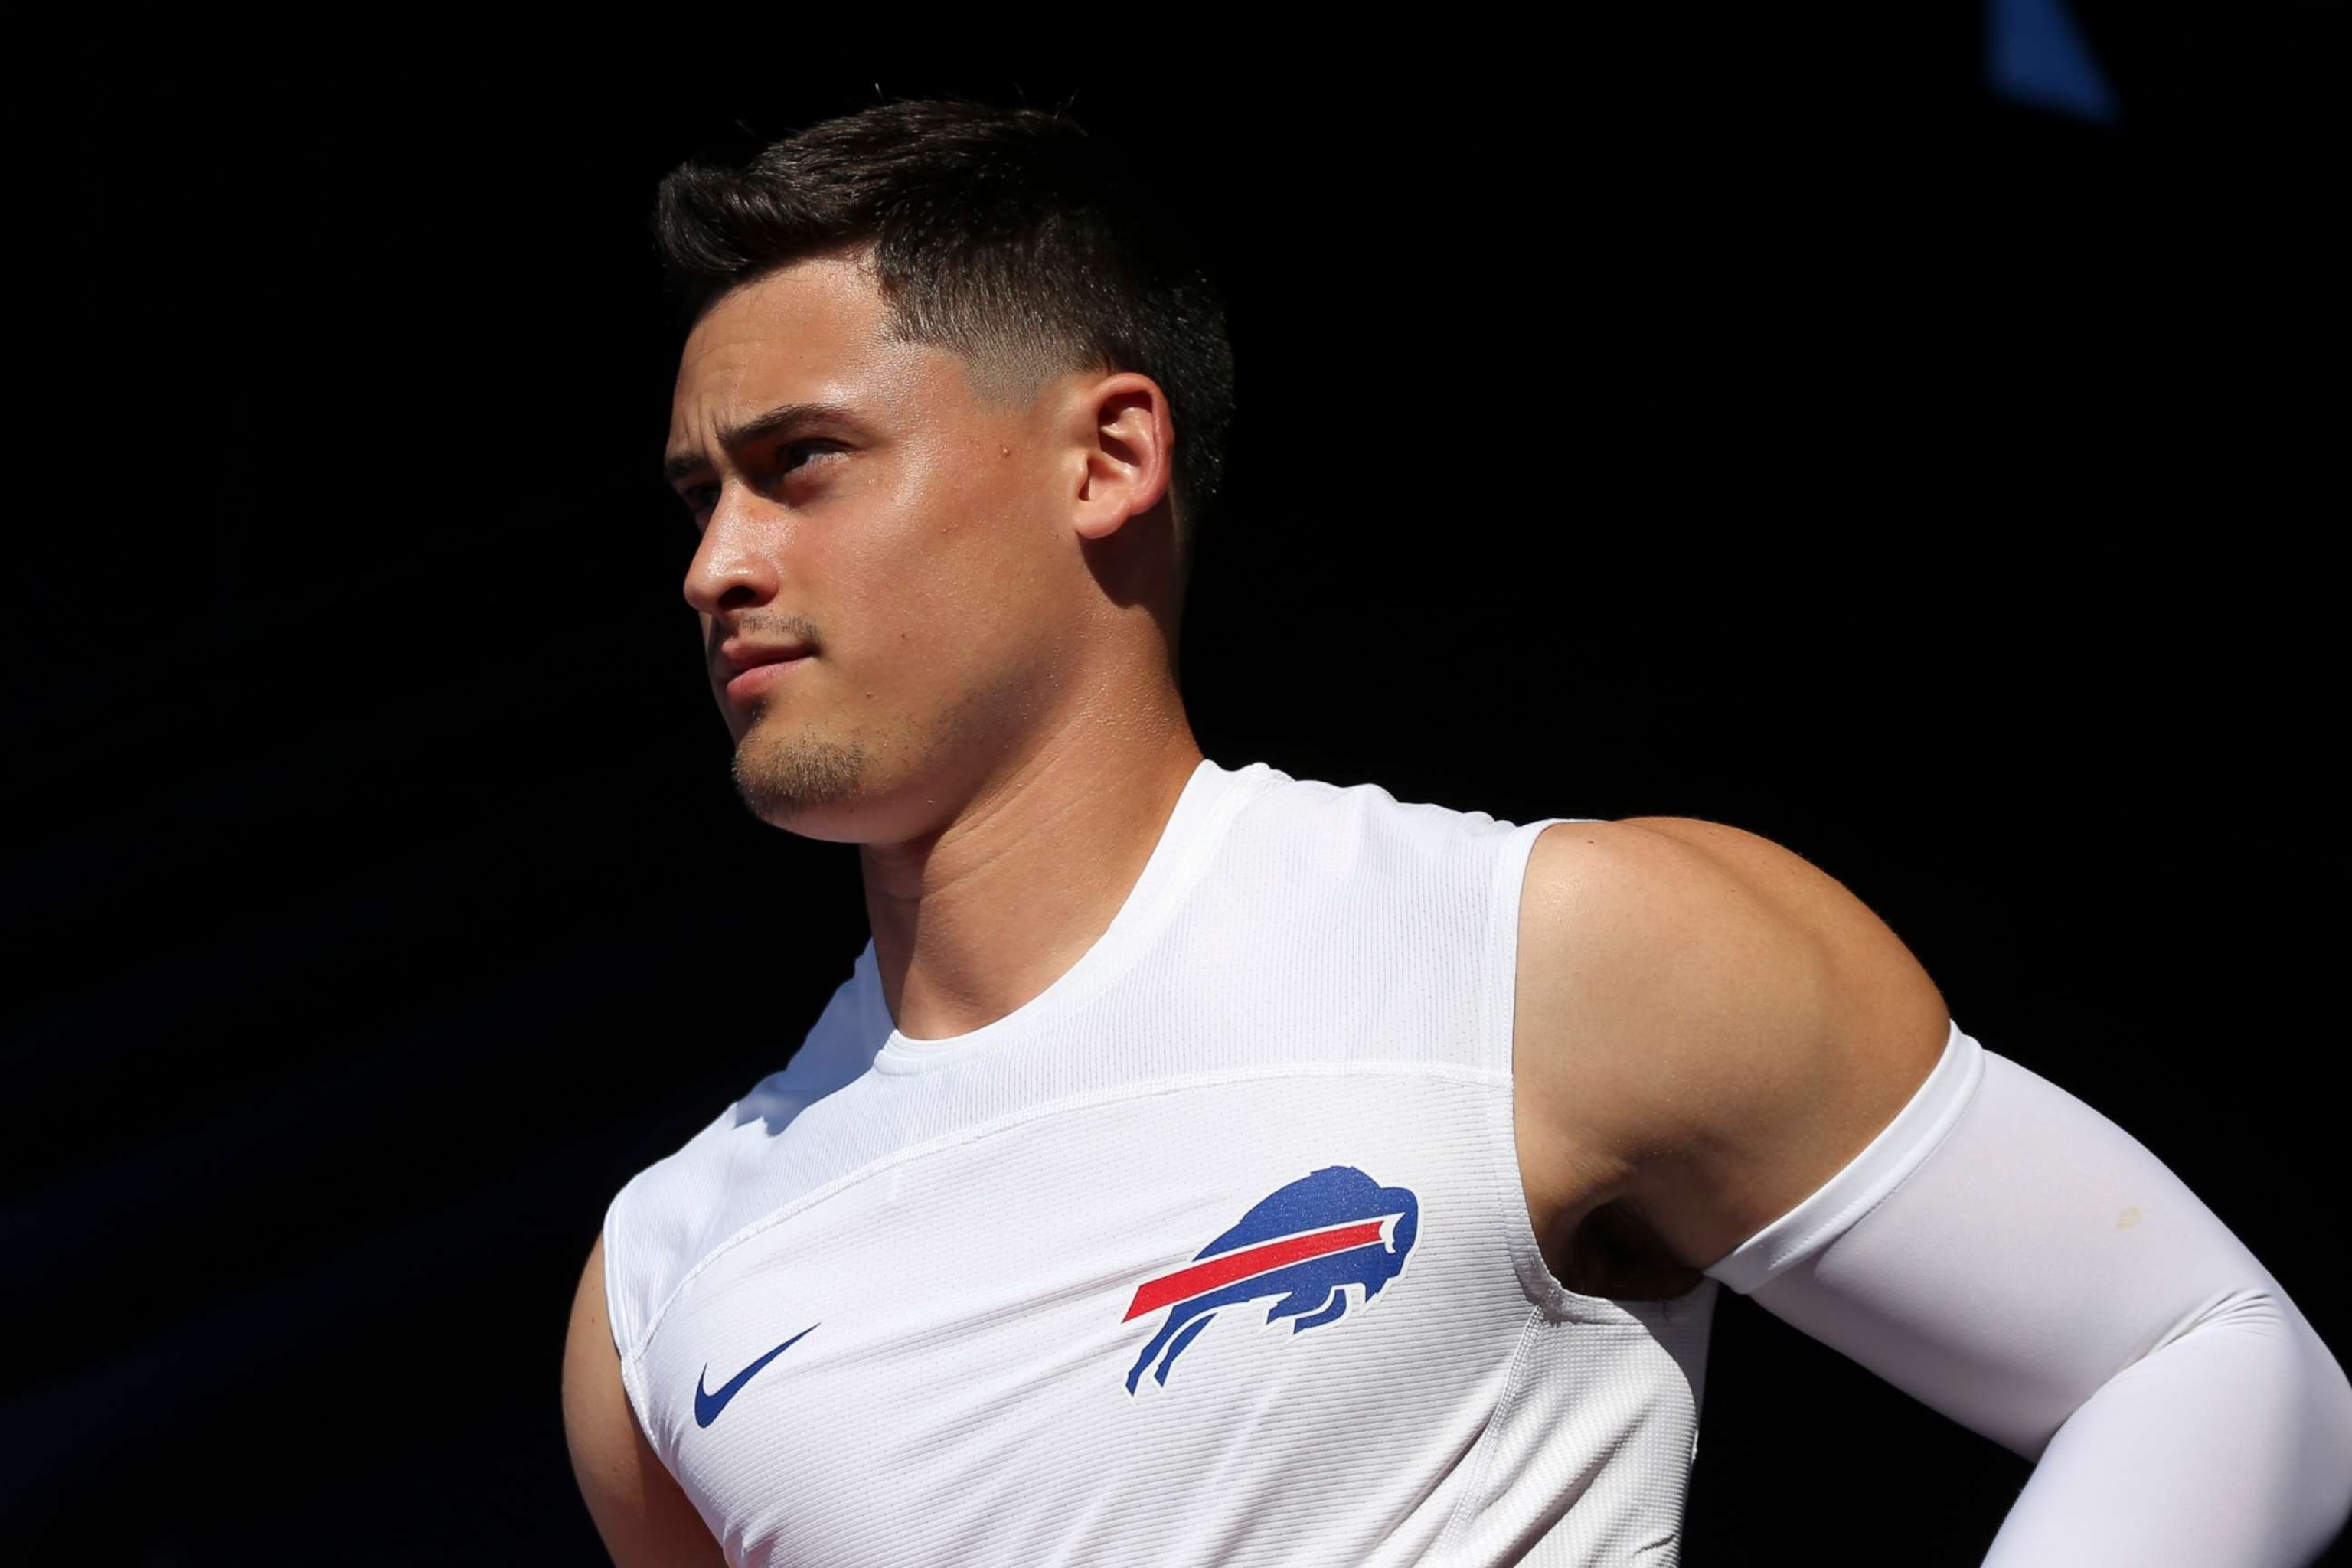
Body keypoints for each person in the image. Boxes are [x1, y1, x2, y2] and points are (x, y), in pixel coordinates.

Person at [560, 99, 2352, 1566]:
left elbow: (2209, 1362)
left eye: (803, 464)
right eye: (696, 497)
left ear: (1105, 458)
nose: (719, 563)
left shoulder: (1537, 952)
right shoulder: (665, 1282)